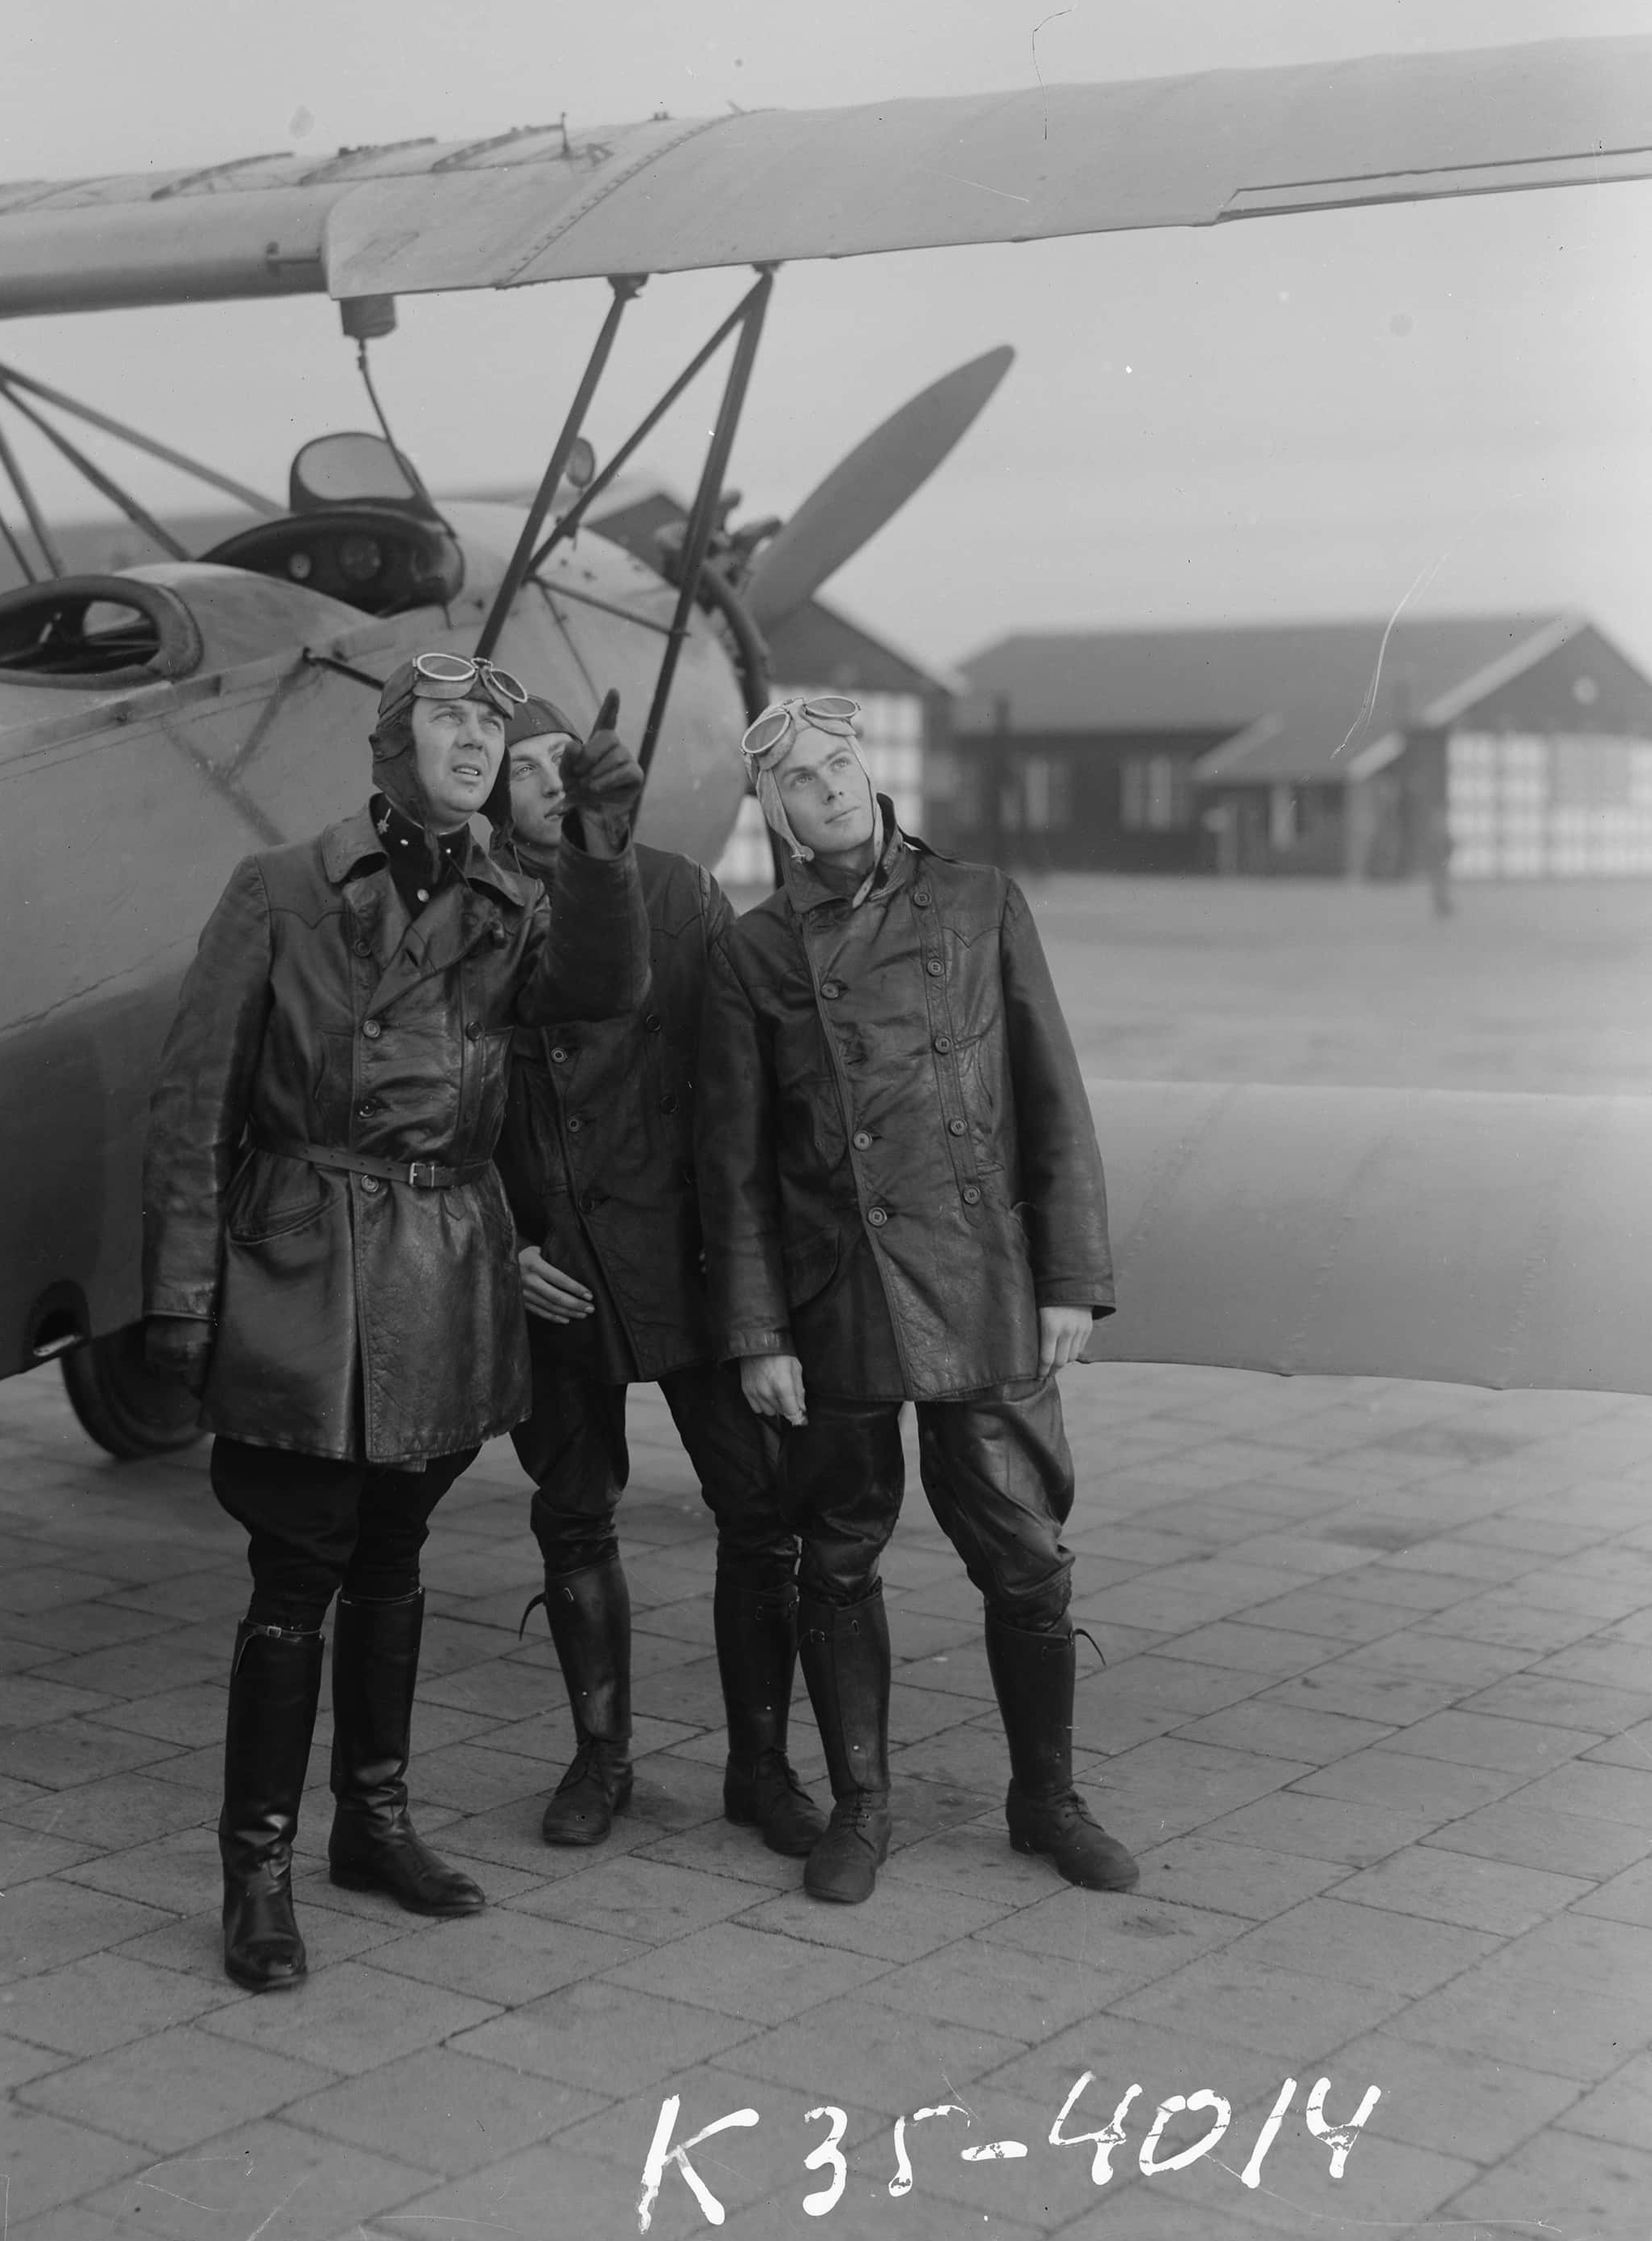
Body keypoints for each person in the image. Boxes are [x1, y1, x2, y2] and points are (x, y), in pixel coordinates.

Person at [142, 649, 648, 1990]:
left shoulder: (512, 898)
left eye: (491, 723)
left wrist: (599, 854)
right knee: (295, 1571)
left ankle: (373, 1825)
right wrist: (182, 1296)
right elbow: (193, 1106)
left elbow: (601, 990)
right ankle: (257, 1872)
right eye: (448, 719)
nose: (476, 740)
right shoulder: (282, 888)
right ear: (390, 744)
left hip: (440, 1269)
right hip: (304, 1266)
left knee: (394, 1557)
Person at [697, 696, 1141, 1906]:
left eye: (841, 760)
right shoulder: (753, 953)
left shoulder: (981, 901)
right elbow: (735, 1166)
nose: (833, 786)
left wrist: (1070, 1280)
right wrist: (758, 1335)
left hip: (983, 1277)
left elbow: (1052, 1097)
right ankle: (863, 1808)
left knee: (1026, 1557)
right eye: (802, 779)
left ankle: (1047, 1800)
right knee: (837, 1557)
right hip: (837, 1291)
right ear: (778, 815)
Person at [490, 697, 826, 1858]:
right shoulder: (473, 911)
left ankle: (762, 1769)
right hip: (555, 1267)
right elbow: (440, 1095)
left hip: (688, 1256)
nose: (549, 781)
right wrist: (500, 1246)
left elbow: (744, 1079)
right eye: (522, 768)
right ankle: (601, 1759)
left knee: (761, 1512)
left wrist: (758, 1265)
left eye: (563, 760)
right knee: (573, 1513)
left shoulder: (680, 892)